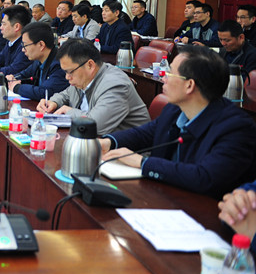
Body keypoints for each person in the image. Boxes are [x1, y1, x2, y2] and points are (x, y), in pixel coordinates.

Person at [101, 46, 256, 199]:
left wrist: (143, 162)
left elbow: (205, 177)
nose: (163, 78)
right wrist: (108, 142)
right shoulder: (174, 109)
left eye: (169, 73)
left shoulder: (237, 129)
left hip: (203, 208)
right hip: (162, 197)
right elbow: (146, 133)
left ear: (189, 85)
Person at [37, 38, 149, 135]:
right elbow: (66, 94)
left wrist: (68, 112)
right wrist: (54, 102)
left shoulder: (115, 84)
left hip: (128, 149)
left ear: (90, 65)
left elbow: (96, 125)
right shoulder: (83, 77)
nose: (67, 77)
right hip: (97, 142)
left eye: (70, 72)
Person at [7, 21, 68, 101]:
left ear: (41, 45)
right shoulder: (39, 61)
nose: (23, 50)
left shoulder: (60, 64)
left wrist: (17, 87)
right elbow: (23, 75)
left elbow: (45, 93)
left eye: (25, 45)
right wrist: (12, 78)